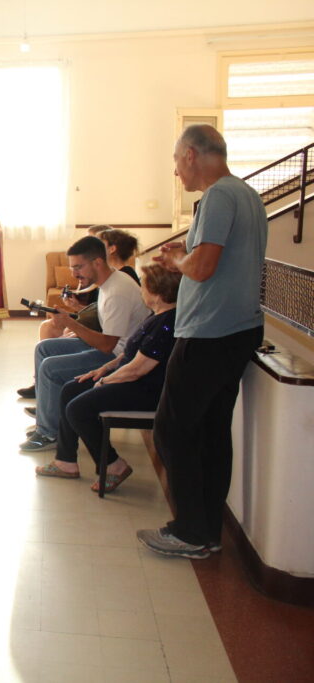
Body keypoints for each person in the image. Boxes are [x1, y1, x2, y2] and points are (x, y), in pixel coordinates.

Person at [137, 124, 268, 560]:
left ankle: (190, 531)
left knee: (172, 429)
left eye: (177, 161)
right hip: (238, 328)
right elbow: (216, 259)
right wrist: (186, 256)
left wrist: (179, 259)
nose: (177, 171)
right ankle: (207, 530)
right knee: (211, 432)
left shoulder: (217, 196)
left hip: (209, 332)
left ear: (191, 154)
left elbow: (204, 267)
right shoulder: (246, 194)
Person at [34, 264, 181, 493]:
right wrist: (104, 369)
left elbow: (138, 369)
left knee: (78, 409)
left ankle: (114, 465)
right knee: (71, 388)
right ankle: (66, 461)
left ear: (156, 292)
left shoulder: (167, 323)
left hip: (144, 389)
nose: (141, 290)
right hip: (130, 379)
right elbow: (130, 353)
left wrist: (105, 381)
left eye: (144, 286)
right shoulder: (156, 316)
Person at [20, 236, 150, 452]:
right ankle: (48, 419)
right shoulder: (108, 283)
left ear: (97, 262)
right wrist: (73, 326)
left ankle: (49, 433)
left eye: (78, 267)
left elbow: (107, 346)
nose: (74, 274)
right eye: (72, 267)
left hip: (118, 357)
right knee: (44, 348)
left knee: (51, 367)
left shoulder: (117, 292)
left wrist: (71, 324)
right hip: (109, 347)